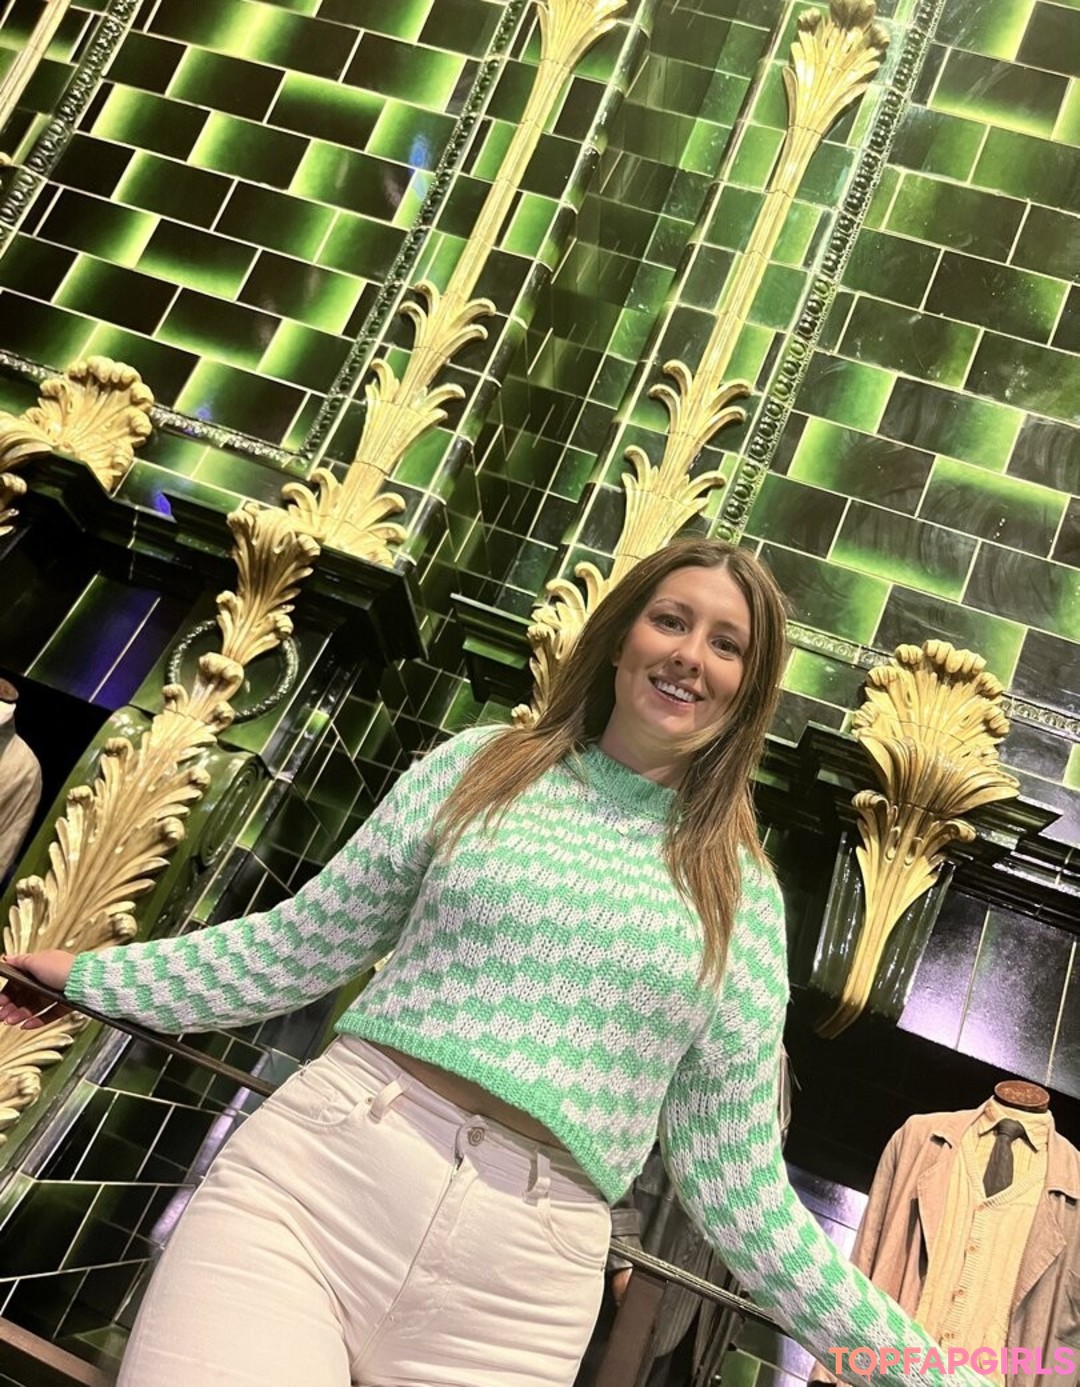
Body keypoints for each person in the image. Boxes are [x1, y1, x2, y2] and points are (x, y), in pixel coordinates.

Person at [1, 539, 976, 1387]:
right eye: (671, 620)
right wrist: (91, 977)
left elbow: (740, 1192)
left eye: (728, 644)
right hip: (319, 1187)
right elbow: (298, 943)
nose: (691, 654)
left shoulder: (744, 897)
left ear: (747, 693)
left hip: (521, 1293)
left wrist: (921, 1367)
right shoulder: (482, 765)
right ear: (622, 637)